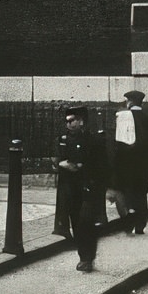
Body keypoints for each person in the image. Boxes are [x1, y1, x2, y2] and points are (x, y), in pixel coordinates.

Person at [54, 106, 106, 272]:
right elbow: (58, 159)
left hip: (86, 186)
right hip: (69, 187)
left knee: (86, 221)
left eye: (72, 120)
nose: (68, 124)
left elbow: (99, 164)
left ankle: (87, 258)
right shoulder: (63, 140)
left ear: (81, 121)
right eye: (66, 121)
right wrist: (61, 164)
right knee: (76, 222)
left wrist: (80, 167)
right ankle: (84, 256)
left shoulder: (92, 140)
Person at [109, 88, 148, 234]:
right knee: (141, 193)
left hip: (126, 164)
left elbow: (118, 143)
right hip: (143, 165)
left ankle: (128, 222)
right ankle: (140, 225)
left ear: (129, 102)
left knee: (127, 192)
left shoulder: (123, 117)